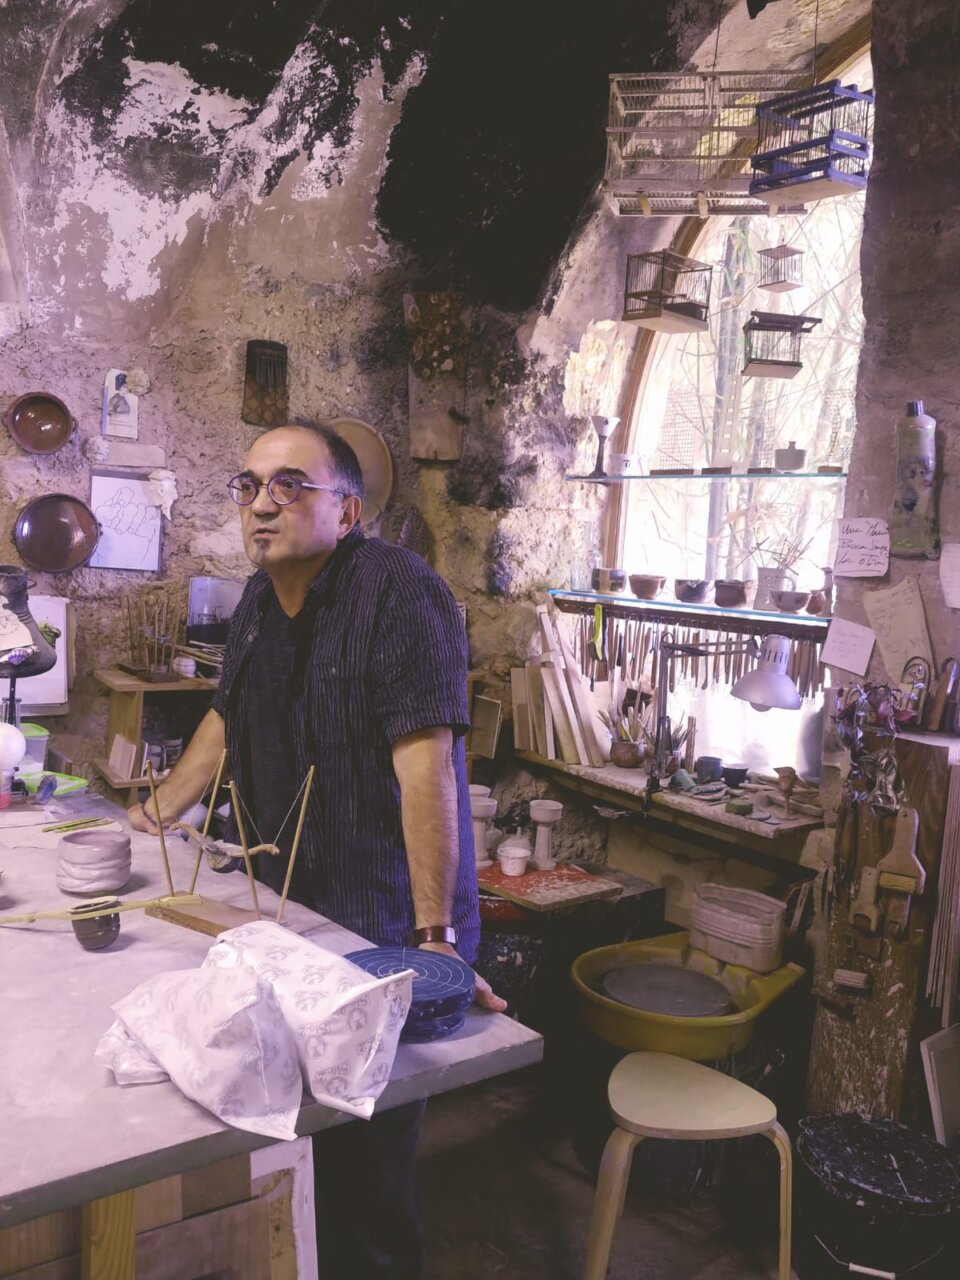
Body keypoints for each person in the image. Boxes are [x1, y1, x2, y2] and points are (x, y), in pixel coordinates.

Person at [130, 422, 504, 1279]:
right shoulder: (260, 601)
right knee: (292, 1136)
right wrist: (153, 815)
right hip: (293, 910)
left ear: (347, 510)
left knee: (366, 1164)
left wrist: (436, 939)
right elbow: (226, 718)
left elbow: (427, 772)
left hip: (387, 920)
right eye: (249, 485)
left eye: (289, 484)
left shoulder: (399, 593)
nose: (262, 504)